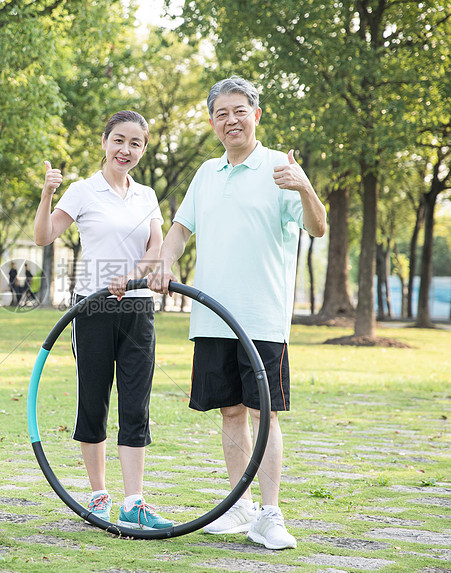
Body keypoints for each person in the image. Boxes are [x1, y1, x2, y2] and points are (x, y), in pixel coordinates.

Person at [148, 76, 327, 549]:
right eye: (221, 113)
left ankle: (270, 514)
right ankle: (239, 507)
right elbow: (180, 229)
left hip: (261, 317)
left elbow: (318, 226)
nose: (231, 120)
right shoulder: (206, 173)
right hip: (212, 317)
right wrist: (164, 263)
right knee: (230, 412)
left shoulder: (279, 168)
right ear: (212, 122)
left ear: (256, 115)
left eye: (239, 110)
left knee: (263, 413)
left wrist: (306, 187)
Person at [34, 111, 171, 530]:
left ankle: (134, 501)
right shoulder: (82, 191)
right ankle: (98, 496)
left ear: (143, 149)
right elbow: (43, 237)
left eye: (135, 144)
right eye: (119, 141)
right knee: (93, 401)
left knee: (136, 404)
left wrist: (132, 278)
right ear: (105, 142)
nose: (125, 150)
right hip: (91, 309)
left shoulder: (146, 195)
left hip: (137, 307)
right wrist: (46, 195)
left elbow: (157, 246)